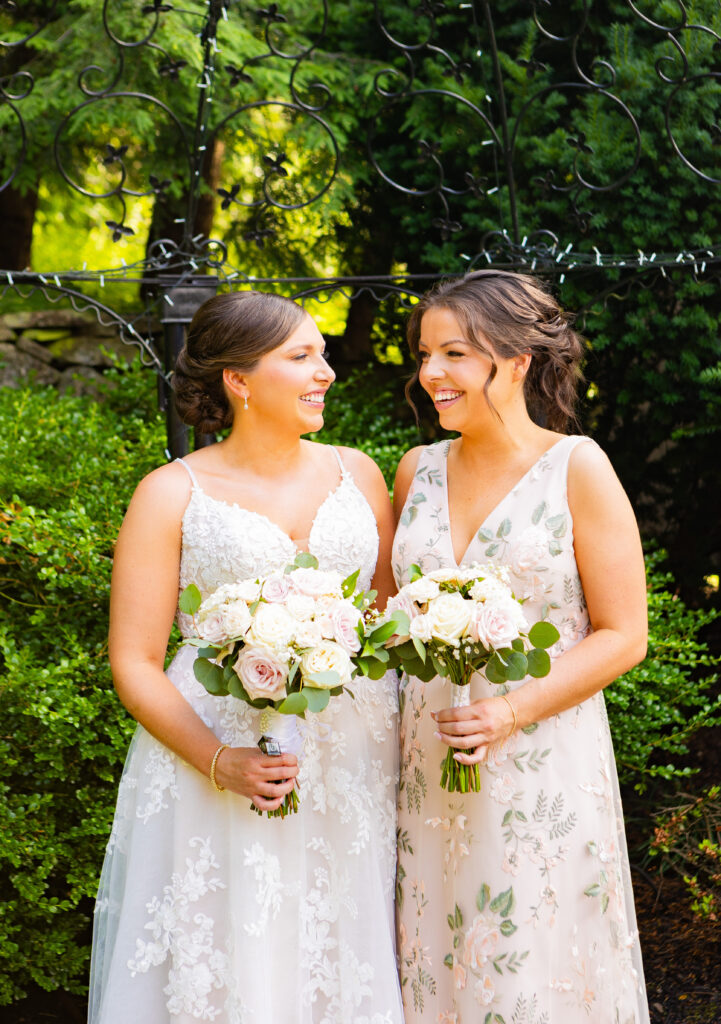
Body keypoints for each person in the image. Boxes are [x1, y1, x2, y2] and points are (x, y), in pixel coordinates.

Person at [88, 291, 404, 1023]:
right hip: (217, 746)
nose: (325, 372)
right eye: (300, 357)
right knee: (230, 944)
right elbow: (134, 660)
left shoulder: (358, 473)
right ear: (238, 380)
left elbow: (383, 619)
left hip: (348, 752)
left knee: (338, 940)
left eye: (322, 354)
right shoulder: (170, 494)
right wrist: (216, 759)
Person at [392, 270, 650, 1023]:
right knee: (434, 946)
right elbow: (388, 619)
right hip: (428, 754)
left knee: (533, 955)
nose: (430, 374)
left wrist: (509, 712)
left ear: (516, 361)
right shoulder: (416, 471)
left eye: (453, 354)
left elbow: (623, 634)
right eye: (424, 354)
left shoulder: (577, 466)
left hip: (539, 754)